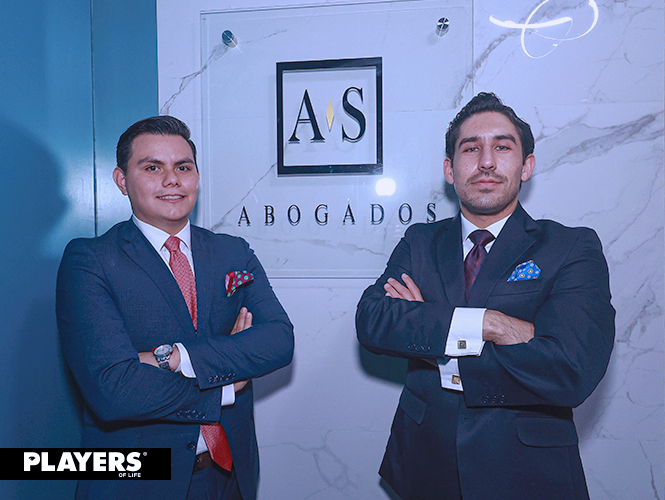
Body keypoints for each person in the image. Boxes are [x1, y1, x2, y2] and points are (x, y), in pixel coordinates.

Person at [355, 92, 615, 500]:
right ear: (450, 169)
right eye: (471, 148)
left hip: (527, 473)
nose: (487, 162)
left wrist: (434, 332)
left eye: (503, 147)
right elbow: (373, 320)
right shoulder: (420, 241)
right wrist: (491, 324)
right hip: (424, 468)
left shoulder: (570, 247)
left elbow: (571, 368)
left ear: (526, 166)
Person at [56, 115, 294, 500]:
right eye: (153, 168)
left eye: (183, 167)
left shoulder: (233, 251)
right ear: (122, 180)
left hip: (229, 475)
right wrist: (226, 383)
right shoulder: (90, 260)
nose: (172, 180)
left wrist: (172, 357)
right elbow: (113, 390)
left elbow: (279, 340)